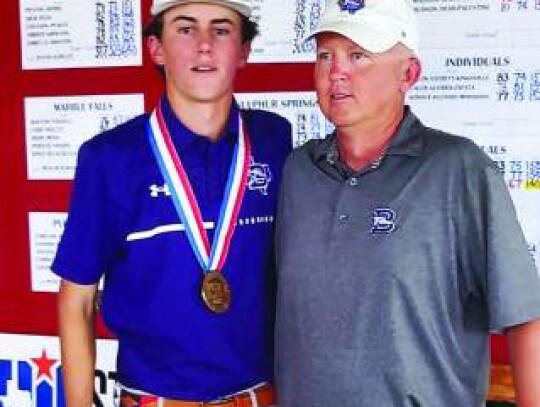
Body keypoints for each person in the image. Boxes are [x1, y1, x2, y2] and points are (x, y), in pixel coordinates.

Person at [274, 0, 540, 406]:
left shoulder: (459, 169)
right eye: (325, 55)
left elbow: (525, 318)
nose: (337, 71)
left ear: (409, 74)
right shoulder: (297, 172)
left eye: (359, 55)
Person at [53, 1, 291, 406]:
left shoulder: (274, 140)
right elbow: (76, 299)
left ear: (244, 51)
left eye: (221, 29)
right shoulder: (110, 158)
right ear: (156, 48)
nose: (204, 46)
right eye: (185, 29)